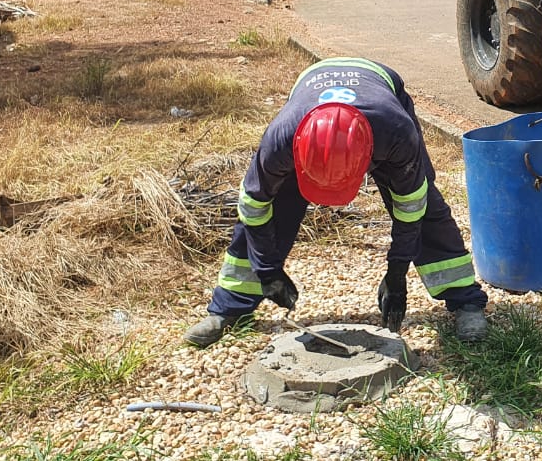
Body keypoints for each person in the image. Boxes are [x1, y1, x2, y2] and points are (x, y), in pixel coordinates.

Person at [183, 57, 488, 347]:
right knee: (271, 212)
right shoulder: (281, 140)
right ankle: (228, 308)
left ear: (369, 159)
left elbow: (411, 207)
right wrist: (267, 270)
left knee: (426, 207)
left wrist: (396, 275)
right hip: (311, 89)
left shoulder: (396, 133)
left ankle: (465, 301)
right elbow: (253, 207)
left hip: (379, 87)